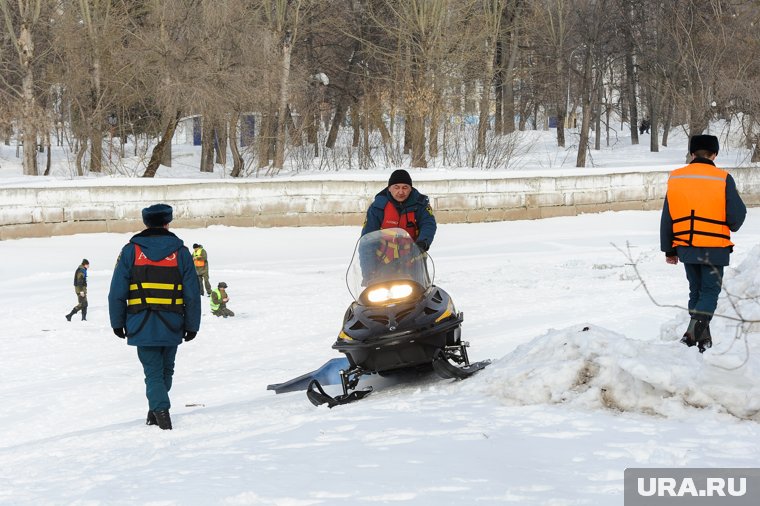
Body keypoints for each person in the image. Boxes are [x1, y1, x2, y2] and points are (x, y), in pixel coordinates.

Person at [108, 203, 201, 430]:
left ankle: (159, 412)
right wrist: (192, 325)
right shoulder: (181, 252)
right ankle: (158, 409)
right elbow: (192, 294)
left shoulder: (131, 251)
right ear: (167, 223)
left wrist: (117, 322)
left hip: (140, 322)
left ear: (146, 223)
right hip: (173, 322)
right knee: (166, 370)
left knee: (153, 373)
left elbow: (117, 291)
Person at [660, 134, 746, 353]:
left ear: (691, 153)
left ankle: (703, 341)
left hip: (686, 244)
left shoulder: (676, 178)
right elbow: (737, 215)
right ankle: (690, 335)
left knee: (696, 291)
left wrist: (669, 248)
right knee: (709, 292)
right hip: (714, 246)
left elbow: (667, 216)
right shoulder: (722, 178)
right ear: (714, 154)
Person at [361, 169, 437, 251]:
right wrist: (367, 263)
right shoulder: (378, 207)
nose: (400, 192)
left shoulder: (420, 205)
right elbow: (368, 238)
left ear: (410, 189)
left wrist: (423, 241)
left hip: (413, 258)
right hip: (383, 260)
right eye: (396, 187)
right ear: (389, 188)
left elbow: (428, 224)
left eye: (405, 188)